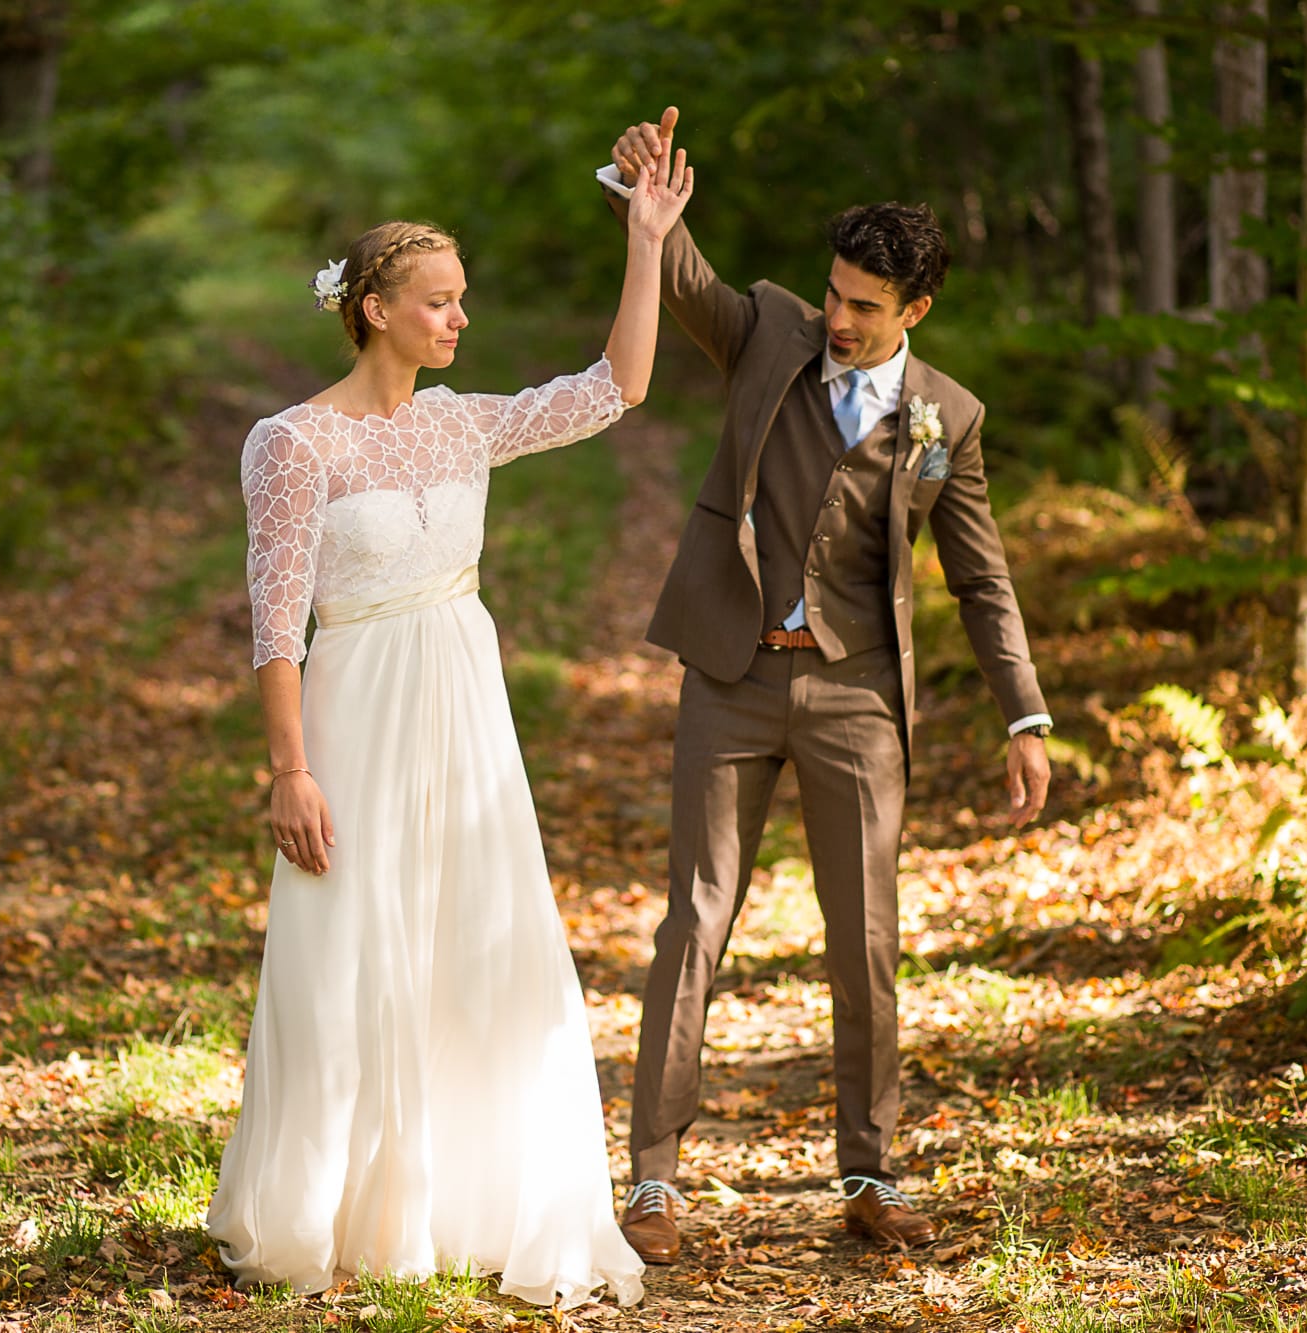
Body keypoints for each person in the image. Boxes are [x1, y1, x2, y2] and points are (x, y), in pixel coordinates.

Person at [204, 150, 693, 1309]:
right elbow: (277, 625)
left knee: (479, 937)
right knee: (350, 946)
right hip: (355, 708)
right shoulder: (292, 443)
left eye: (462, 297)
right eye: (439, 299)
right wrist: (291, 770)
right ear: (374, 310)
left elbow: (615, 387)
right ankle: (335, 1203)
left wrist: (647, 242)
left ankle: (464, 1197)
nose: (459, 316)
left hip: (464, 711)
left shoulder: (465, 424)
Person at [597, 108, 1052, 1262]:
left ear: (914, 313)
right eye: (835, 292)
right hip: (732, 675)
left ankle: (869, 1171)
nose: (839, 319)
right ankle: (651, 1181)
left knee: (865, 941)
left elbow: (976, 571)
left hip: (857, 699)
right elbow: (689, 281)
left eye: (864, 306)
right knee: (692, 920)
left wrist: (1023, 710)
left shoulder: (941, 418)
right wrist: (642, 206)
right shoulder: (769, 337)